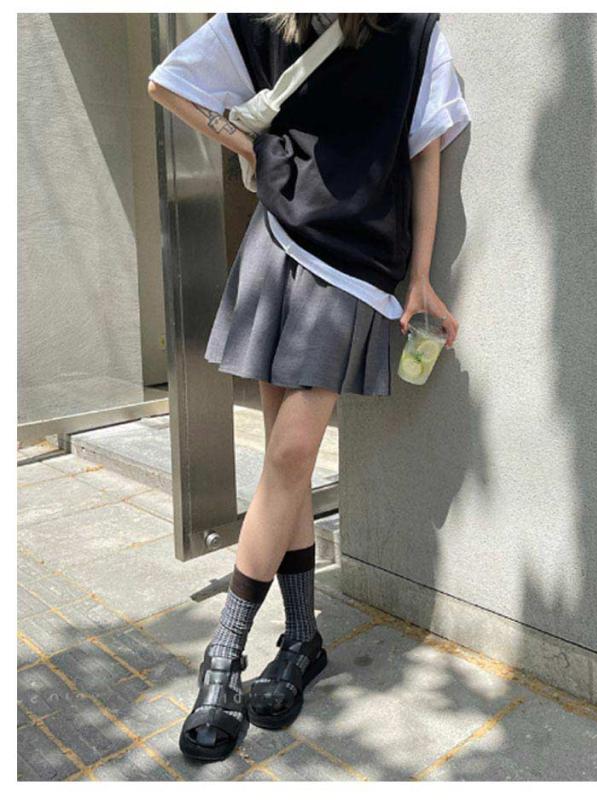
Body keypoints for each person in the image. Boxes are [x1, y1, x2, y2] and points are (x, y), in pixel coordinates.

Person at [148, 11, 470, 762]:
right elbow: (168, 83)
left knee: (290, 456)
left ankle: (222, 659)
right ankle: (301, 640)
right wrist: (257, 148)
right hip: (278, 243)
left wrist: (420, 277)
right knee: (283, 465)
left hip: (354, 264)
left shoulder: (412, 32)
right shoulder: (270, 20)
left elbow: (426, 154)